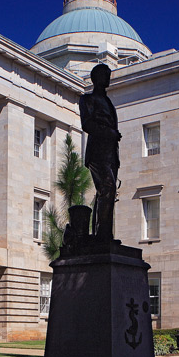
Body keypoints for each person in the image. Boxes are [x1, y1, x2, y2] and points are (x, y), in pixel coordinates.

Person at [79, 64, 121, 242]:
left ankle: (103, 233)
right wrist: (109, 133)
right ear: (95, 77)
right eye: (105, 74)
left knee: (107, 193)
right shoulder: (87, 99)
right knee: (107, 187)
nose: (108, 77)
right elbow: (87, 124)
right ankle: (102, 234)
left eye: (109, 74)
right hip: (97, 151)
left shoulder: (109, 102)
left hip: (111, 153)